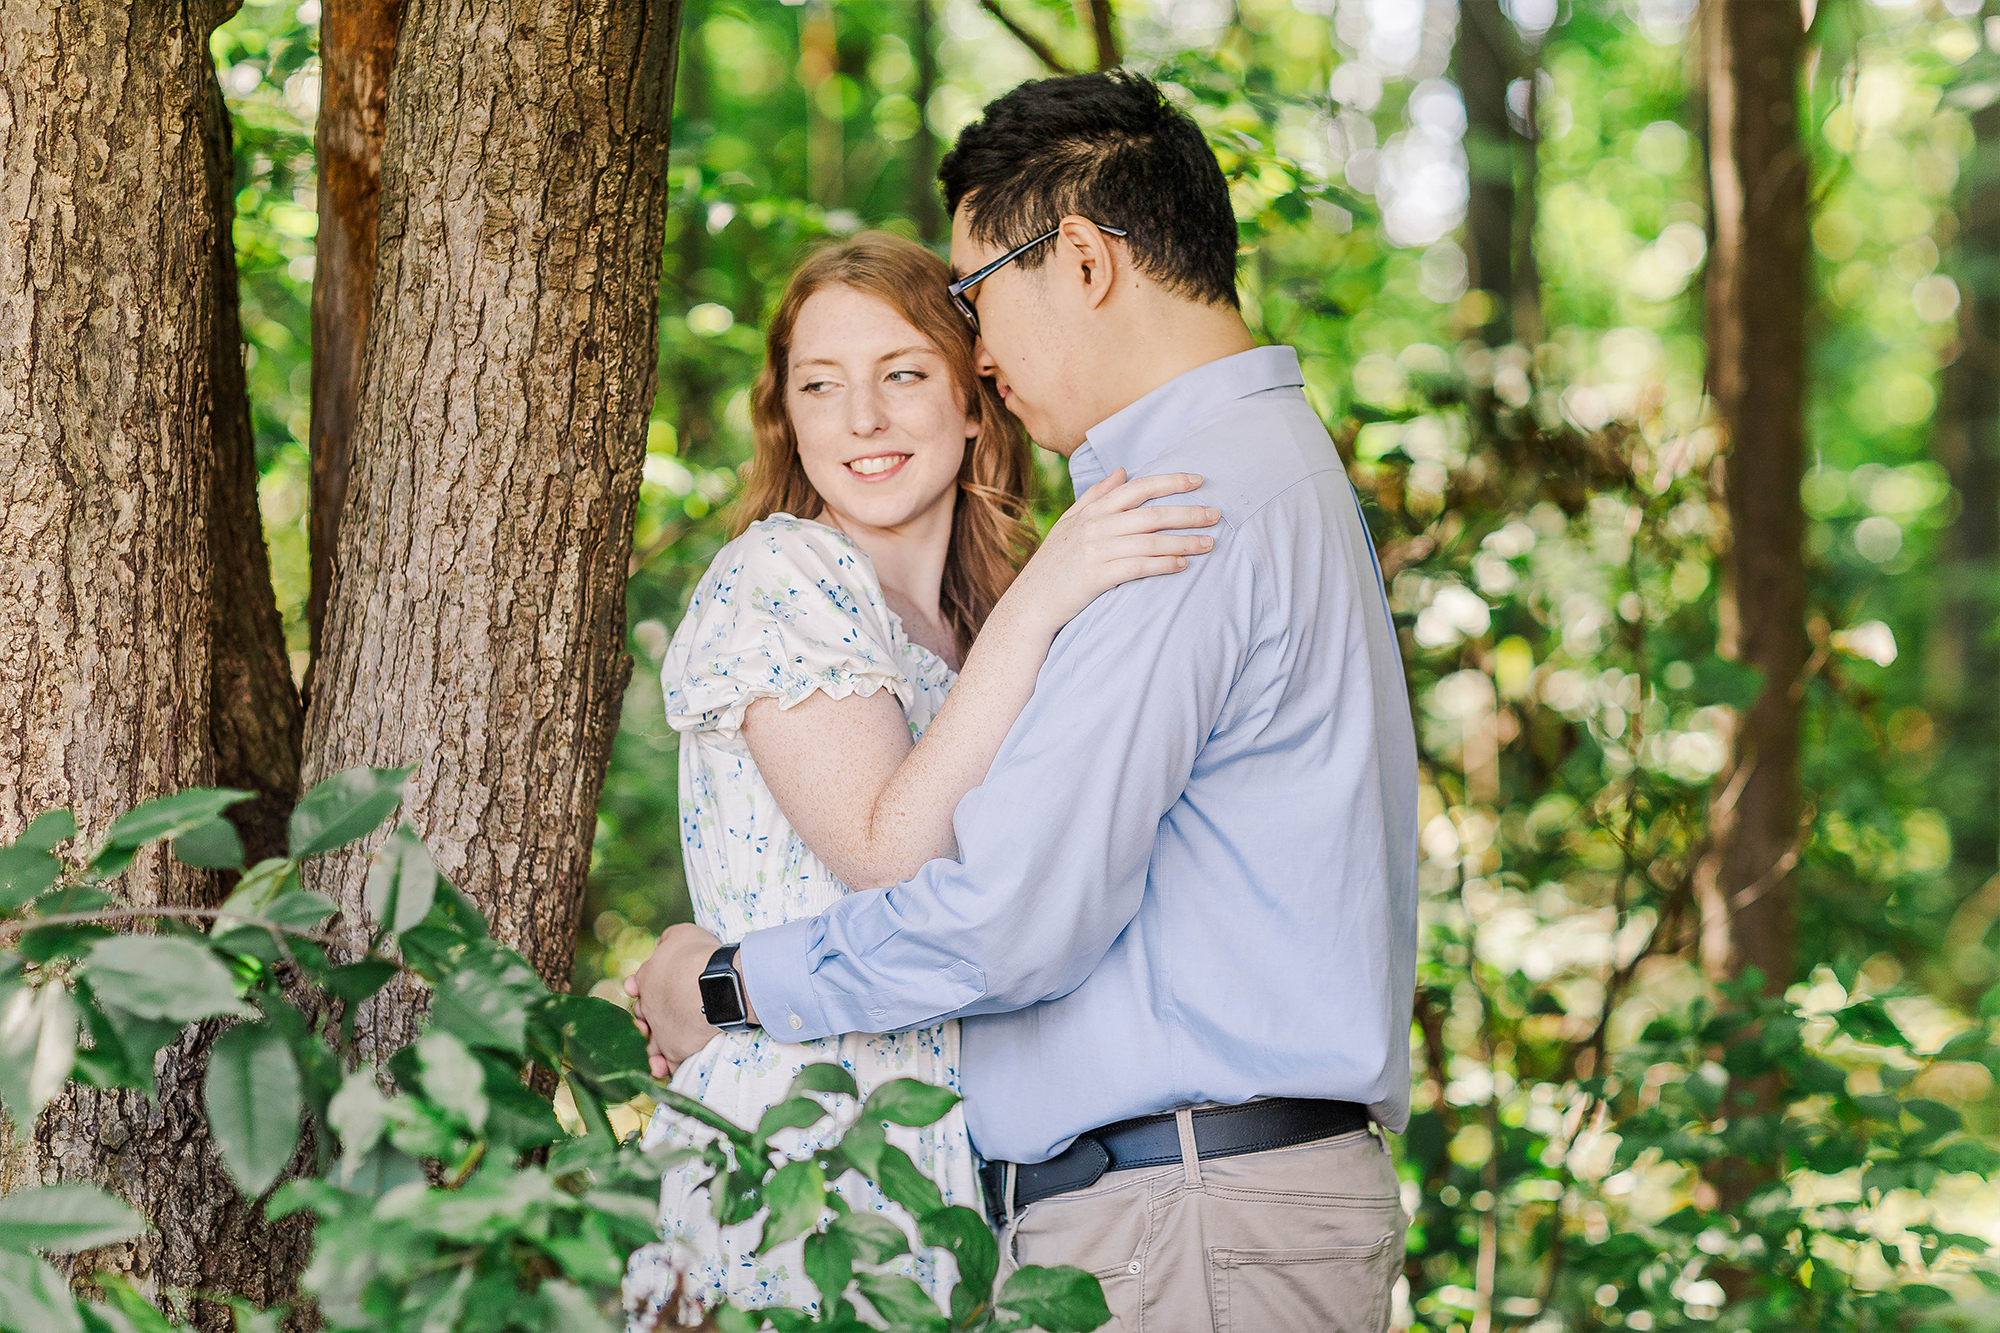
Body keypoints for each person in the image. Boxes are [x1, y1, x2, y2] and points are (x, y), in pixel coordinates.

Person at [632, 71, 1421, 1333]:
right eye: (821, 382)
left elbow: (1009, 918)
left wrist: (723, 985)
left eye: (971, 298)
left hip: (1193, 1218)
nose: (983, 347)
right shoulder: (1235, 475)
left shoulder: (1179, 510)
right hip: (1111, 1206)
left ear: (1088, 261)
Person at [620, 230, 1220, 1320]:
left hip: (960, 1150)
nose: (863, 420)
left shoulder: (986, 620)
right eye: (820, 385)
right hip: (794, 1150)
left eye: (901, 374)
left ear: (974, 398)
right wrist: (1050, 592)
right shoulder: (782, 576)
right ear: (786, 417)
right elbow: (882, 851)